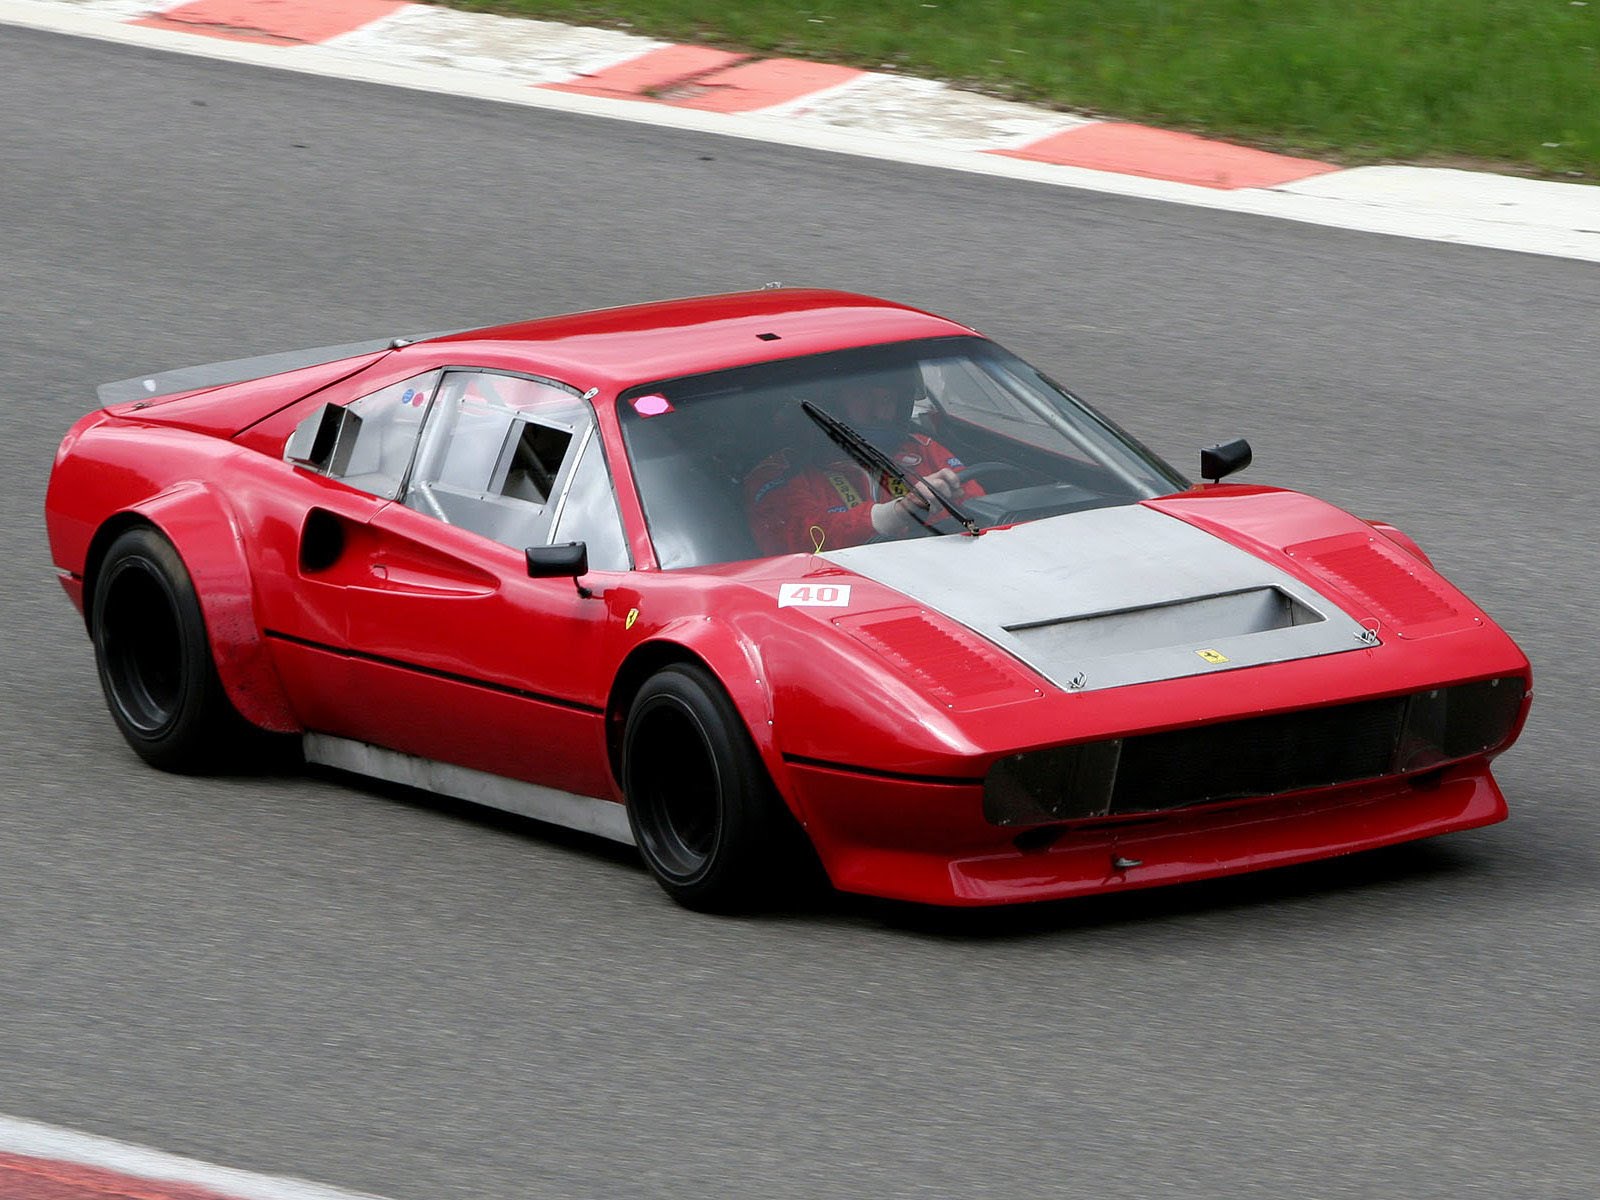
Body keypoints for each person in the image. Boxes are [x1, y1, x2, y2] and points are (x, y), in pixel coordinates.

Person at [744, 363, 983, 555]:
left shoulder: (923, 448)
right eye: (864, 398)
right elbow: (798, 542)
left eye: (888, 400)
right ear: (830, 401)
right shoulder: (782, 471)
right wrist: (898, 513)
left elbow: (979, 510)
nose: (880, 412)